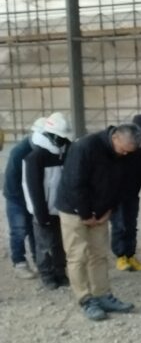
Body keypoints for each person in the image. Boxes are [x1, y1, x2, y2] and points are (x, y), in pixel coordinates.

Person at [56, 123, 141, 321]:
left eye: (129, 152)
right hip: (74, 210)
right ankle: (85, 299)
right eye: (123, 150)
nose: (125, 154)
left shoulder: (127, 154)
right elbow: (75, 184)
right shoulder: (84, 147)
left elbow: (123, 184)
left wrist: (108, 211)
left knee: (99, 254)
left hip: (101, 211)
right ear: (115, 137)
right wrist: (86, 214)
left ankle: (102, 294)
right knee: (77, 255)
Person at [22, 113, 72, 289]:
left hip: (60, 208)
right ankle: (47, 275)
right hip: (42, 209)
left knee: (59, 243)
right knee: (44, 244)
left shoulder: (65, 152)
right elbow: (34, 189)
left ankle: (60, 272)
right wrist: (41, 213)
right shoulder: (35, 158)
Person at [111, 113, 141, 272]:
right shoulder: (126, 146)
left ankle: (130, 255)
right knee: (120, 224)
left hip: (133, 191)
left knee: (131, 224)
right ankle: (121, 256)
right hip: (118, 191)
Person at [4, 120, 39, 280]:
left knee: (35, 229)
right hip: (16, 197)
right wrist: (26, 203)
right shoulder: (19, 152)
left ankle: (39, 260)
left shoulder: (40, 149)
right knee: (19, 229)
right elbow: (12, 182)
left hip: (32, 196)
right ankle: (19, 263)